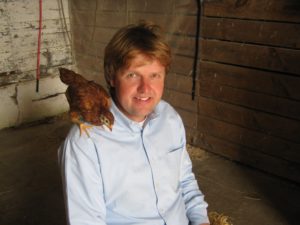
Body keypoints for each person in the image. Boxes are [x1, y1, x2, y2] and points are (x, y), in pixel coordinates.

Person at [58, 21, 210, 225]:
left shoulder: (170, 119)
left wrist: (201, 220)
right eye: (132, 75)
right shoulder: (85, 143)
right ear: (112, 76)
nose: (145, 88)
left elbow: (185, 180)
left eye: (154, 75)